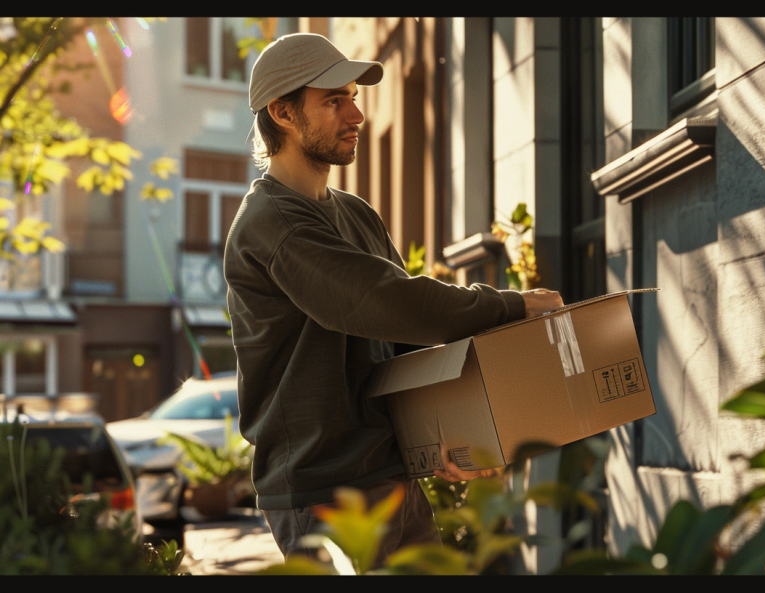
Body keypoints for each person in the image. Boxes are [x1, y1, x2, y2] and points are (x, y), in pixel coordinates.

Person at [223, 32, 563, 566]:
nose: (354, 114)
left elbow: (401, 345)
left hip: (392, 476)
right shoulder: (272, 223)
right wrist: (507, 305)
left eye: (353, 98)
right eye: (333, 101)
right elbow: (387, 302)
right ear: (282, 112)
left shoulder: (356, 214)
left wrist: (446, 437)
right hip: (326, 491)